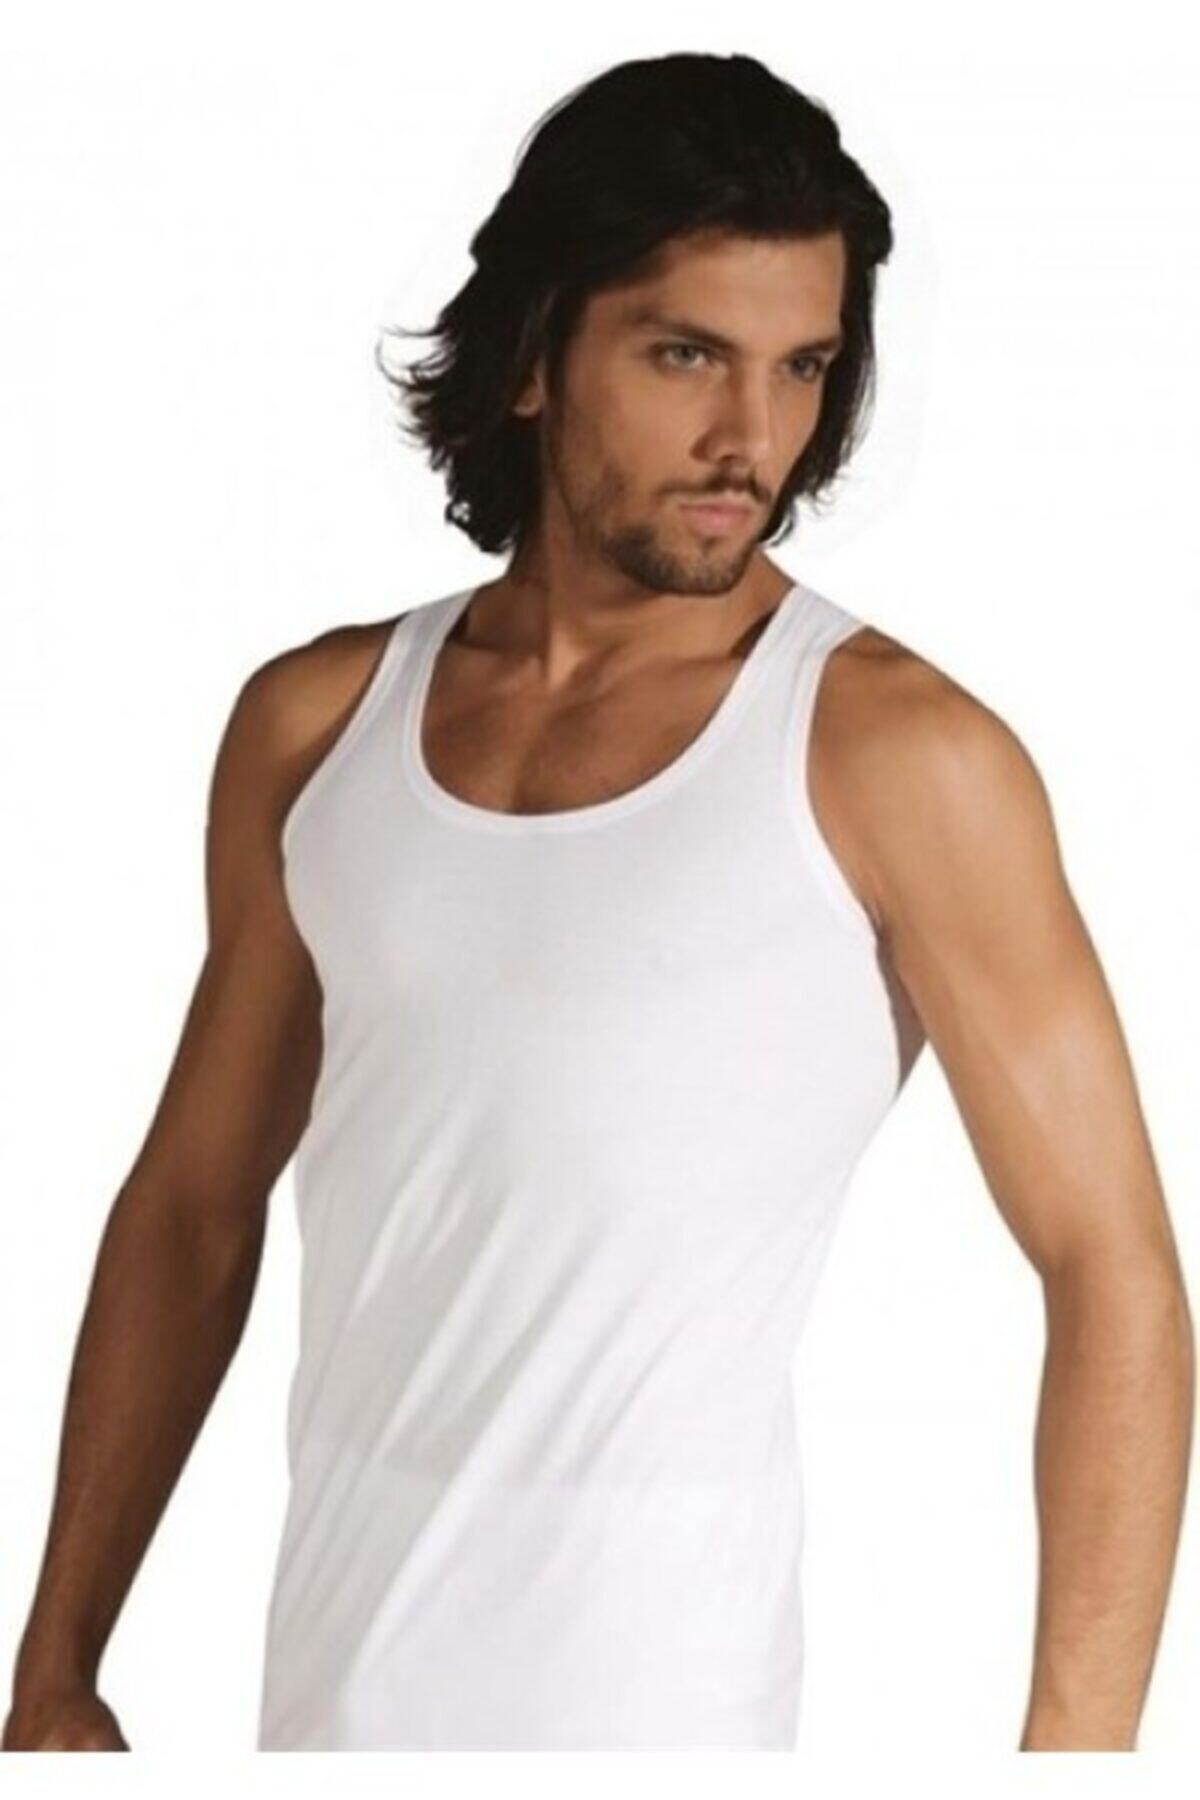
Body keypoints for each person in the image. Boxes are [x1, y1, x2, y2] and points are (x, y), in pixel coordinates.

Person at [4, 51, 1192, 1754]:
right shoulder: (317, 726)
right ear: (533, 355)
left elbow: (1112, 1268)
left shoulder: (895, 755)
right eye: (686, 354)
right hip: (323, 1706)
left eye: (802, 367)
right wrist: (55, 1664)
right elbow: (193, 1208)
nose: (751, 440)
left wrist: (1075, 1770)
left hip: (661, 1726)